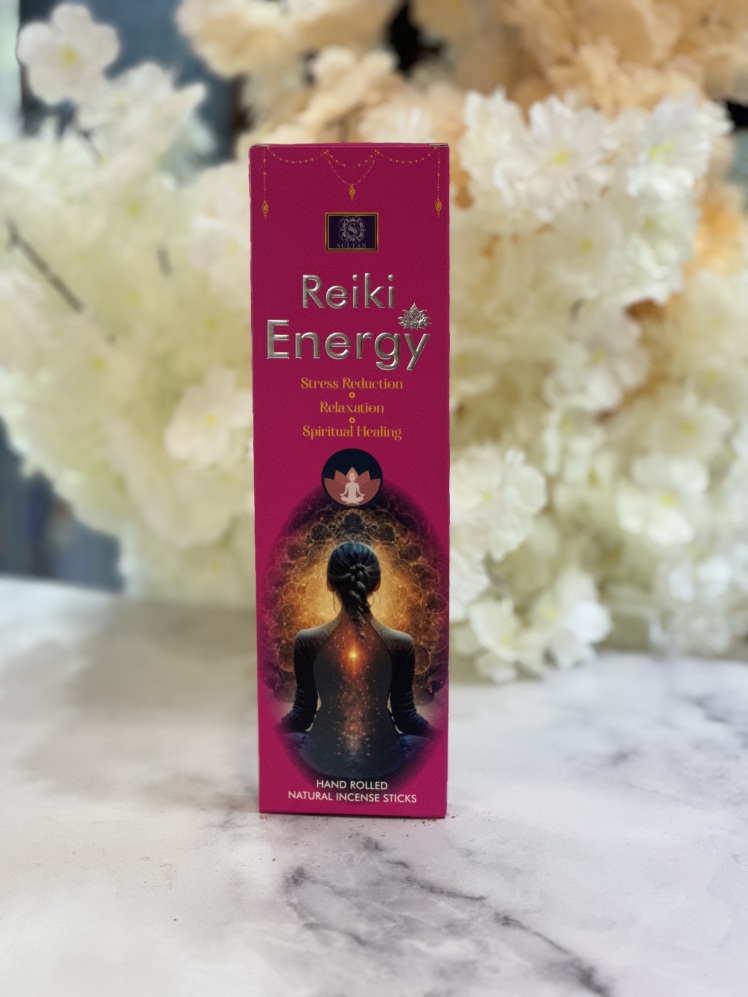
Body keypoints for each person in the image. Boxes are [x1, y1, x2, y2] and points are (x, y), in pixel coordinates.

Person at [281, 541, 429, 779]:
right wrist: (439, 735)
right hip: (383, 762)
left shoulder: (307, 642)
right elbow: (406, 719)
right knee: (421, 744)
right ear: (377, 584)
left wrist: (269, 731)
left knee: (288, 740)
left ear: (329, 584)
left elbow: (302, 715)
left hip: (322, 759)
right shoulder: (401, 644)